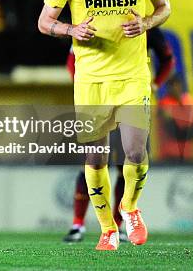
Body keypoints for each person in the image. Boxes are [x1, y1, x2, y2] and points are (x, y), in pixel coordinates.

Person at [38, 0, 171, 251]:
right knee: (95, 160)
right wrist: (71, 29)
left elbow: (164, 8)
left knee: (135, 151)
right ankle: (106, 228)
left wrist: (145, 23)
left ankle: (129, 207)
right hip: (92, 79)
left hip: (132, 76)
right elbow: (43, 21)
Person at [63, 26, 175, 243]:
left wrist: (155, 84)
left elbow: (168, 60)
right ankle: (78, 224)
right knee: (92, 162)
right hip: (97, 100)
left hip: (130, 100)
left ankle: (118, 224)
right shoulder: (90, 21)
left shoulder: (145, 26)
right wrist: (83, 88)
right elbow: (72, 60)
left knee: (127, 163)